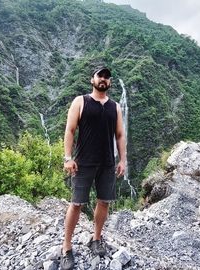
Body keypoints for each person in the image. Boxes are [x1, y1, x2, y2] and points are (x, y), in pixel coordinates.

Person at [60, 66, 127, 270]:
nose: (103, 79)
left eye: (107, 77)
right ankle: (66, 247)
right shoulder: (81, 101)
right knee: (77, 204)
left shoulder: (114, 107)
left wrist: (122, 160)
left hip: (107, 162)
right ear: (92, 80)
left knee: (104, 202)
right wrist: (67, 157)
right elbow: (70, 130)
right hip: (83, 162)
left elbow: (120, 135)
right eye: (100, 76)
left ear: (110, 83)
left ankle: (95, 238)